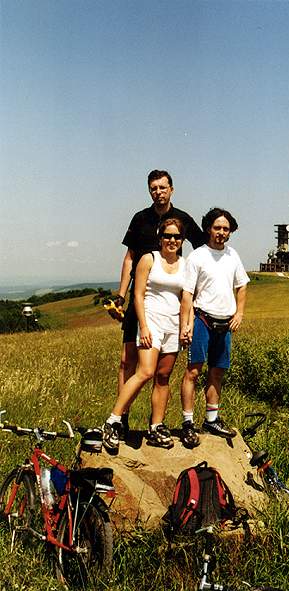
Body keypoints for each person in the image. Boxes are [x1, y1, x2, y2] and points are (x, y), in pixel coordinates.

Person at [110, 170, 205, 440]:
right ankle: (121, 419)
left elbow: (201, 250)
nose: (158, 192)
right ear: (149, 190)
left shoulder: (183, 219)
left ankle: (155, 424)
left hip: (171, 302)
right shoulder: (140, 218)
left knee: (161, 372)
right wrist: (121, 295)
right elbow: (129, 258)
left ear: (171, 189)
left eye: (163, 187)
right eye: (153, 188)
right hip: (142, 298)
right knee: (127, 361)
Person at [103, 218, 190, 454]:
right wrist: (143, 326)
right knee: (146, 372)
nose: (172, 240)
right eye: (167, 236)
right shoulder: (149, 259)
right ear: (160, 238)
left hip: (173, 324)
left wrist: (185, 326)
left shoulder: (185, 265)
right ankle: (113, 421)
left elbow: (186, 299)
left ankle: (156, 426)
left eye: (177, 237)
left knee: (163, 376)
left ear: (182, 240)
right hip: (151, 321)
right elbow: (138, 295)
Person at [179, 207, 250, 448]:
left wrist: (239, 313)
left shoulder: (233, 256)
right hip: (202, 319)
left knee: (217, 372)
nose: (221, 232)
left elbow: (242, 285)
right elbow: (187, 293)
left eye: (226, 229)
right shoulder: (197, 256)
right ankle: (188, 423)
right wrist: (186, 325)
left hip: (225, 322)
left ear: (231, 232)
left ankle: (211, 420)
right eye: (217, 227)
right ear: (208, 228)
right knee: (193, 372)